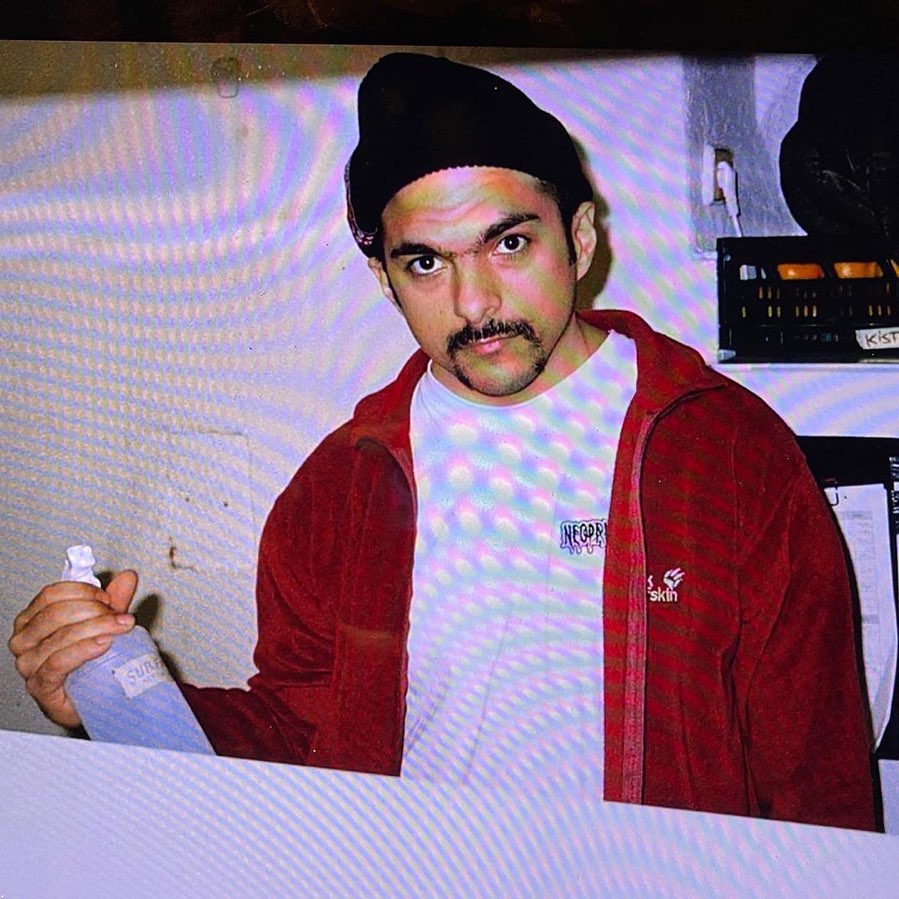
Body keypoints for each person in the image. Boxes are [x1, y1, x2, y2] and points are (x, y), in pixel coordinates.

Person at [8, 53, 876, 830]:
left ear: (578, 237)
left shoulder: (726, 452)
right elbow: (304, 736)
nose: (473, 304)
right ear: (384, 276)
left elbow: (817, 773)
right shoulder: (343, 485)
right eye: (426, 261)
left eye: (508, 242)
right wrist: (116, 694)